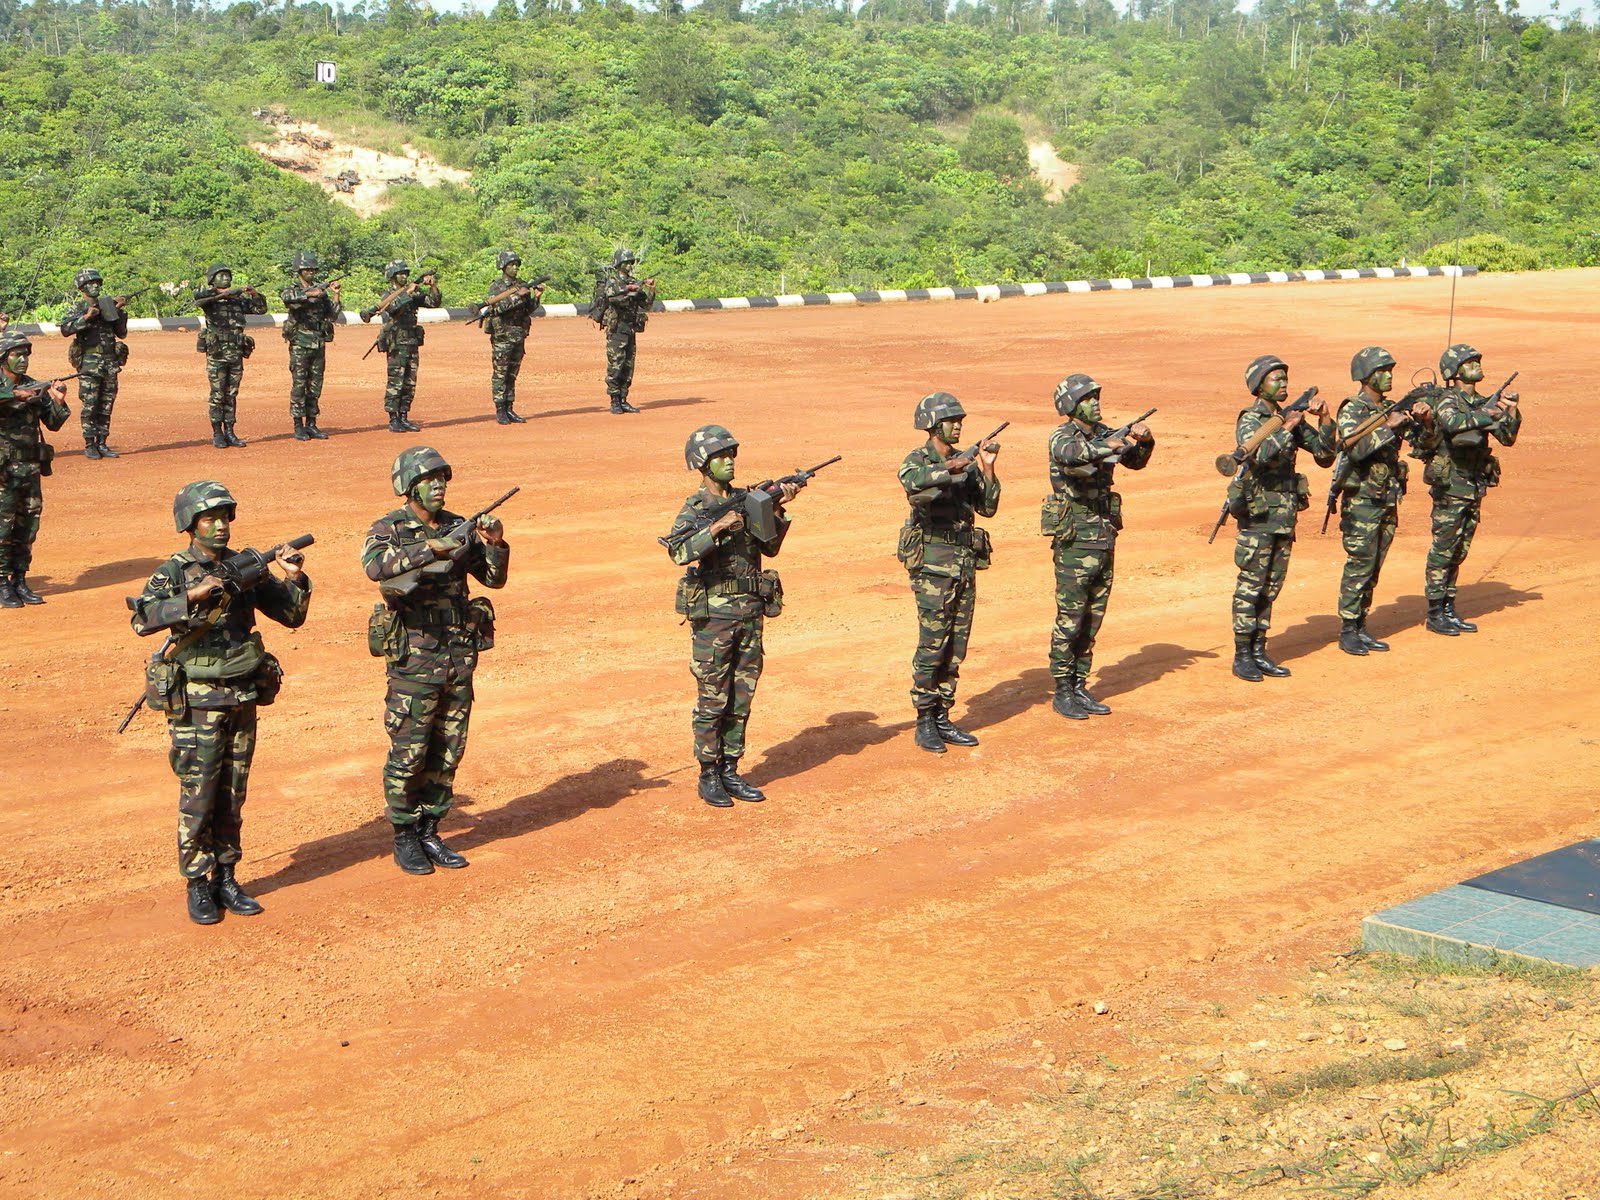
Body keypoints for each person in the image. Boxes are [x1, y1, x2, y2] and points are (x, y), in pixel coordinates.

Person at [129, 481, 312, 925]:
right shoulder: (174, 571)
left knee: (232, 791)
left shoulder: (245, 566)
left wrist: (294, 577)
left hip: (241, 693)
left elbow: (291, 615)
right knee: (199, 793)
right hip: (196, 702)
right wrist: (191, 596)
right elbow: (142, 618)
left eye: (225, 517)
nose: (220, 526)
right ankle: (198, 882)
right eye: (209, 518)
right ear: (190, 525)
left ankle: (227, 876)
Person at [361, 447, 508, 874]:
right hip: (414, 658)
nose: (439, 485)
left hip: (457, 656)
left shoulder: (457, 526)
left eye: (442, 477)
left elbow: (493, 579)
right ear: (409, 487)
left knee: (448, 748)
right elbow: (376, 568)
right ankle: (405, 834)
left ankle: (430, 829)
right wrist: (430, 549)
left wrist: (494, 544)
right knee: (409, 750)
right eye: (429, 479)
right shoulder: (389, 528)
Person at [662, 425, 799, 807]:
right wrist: (718, 527)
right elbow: (678, 552)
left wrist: (777, 509)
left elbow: (769, 548)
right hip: (714, 620)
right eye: (720, 456)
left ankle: (731, 769)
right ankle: (708, 773)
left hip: (750, 612)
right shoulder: (696, 507)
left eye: (731, 454)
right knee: (713, 697)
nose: (729, 461)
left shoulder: (748, 500)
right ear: (702, 463)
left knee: (742, 695)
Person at [1042, 373, 1154, 719]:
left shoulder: (1104, 433)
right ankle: (1063, 689)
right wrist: (1113, 444)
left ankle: (1080, 684)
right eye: (1088, 399)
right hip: (1075, 539)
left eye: (1096, 397)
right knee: (1070, 617)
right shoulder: (1063, 437)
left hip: (1103, 534)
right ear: (1071, 406)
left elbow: (1134, 461)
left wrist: (1143, 442)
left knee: (1093, 615)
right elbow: (1073, 455)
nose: (1095, 403)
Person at [896, 391, 1001, 753]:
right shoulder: (918, 460)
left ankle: (943, 715)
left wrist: (986, 467)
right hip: (932, 566)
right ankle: (925, 718)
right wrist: (951, 468)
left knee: (956, 644)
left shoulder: (966, 461)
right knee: (932, 642)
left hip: (963, 561)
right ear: (931, 425)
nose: (957, 426)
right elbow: (912, 482)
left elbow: (987, 507)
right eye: (950, 421)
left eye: (959, 421)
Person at [1229, 354, 1336, 681]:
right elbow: (1259, 454)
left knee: (1272, 585)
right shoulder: (1251, 419)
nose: (1284, 384)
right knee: (1251, 585)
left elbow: (1324, 455)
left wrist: (1325, 419)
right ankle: (1242, 654)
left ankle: (1259, 649)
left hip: (1284, 516)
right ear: (1259, 386)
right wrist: (1287, 426)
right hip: (1258, 514)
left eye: (1285, 378)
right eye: (1276, 379)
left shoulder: (1290, 417)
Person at [1414, 343, 1521, 635]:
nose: (1476, 365)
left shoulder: (1482, 403)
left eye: (1477, 361)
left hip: (1473, 485)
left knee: (1460, 549)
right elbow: (1452, 423)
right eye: (1469, 362)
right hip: (1451, 486)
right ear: (1455, 371)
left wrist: (1510, 412)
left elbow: (1507, 437)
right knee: (1443, 549)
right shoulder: (1448, 400)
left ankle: (1448, 606)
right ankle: (1435, 611)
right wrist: (1488, 414)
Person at [1331, 347, 1432, 655]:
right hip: (1361, 501)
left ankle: (1361, 624)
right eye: (1382, 371)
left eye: (1390, 370)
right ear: (1366, 376)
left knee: (1375, 565)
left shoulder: (1391, 408)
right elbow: (1355, 450)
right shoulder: (1353, 409)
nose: (1389, 376)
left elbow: (1422, 446)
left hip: (1386, 497)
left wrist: (1424, 421)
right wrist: (1389, 427)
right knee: (1359, 563)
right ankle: (1348, 628)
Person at [0, 332, 70, 608]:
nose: (23, 359)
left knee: (28, 526)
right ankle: (2, 583)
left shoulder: (33, 386)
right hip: (3, 472)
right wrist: (14, 394)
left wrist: (57, 400)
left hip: (29, 470)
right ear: (3, 358)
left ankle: (19, 579)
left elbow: (53, 423)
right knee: (2, 528)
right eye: (16, 354)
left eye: (26, 354)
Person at [192, 264, 267, 449]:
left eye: (227, 275)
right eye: (221, 275)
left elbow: (260, 309)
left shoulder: (237, 301)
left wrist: (254, 294)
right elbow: (198, 298)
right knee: (217, 394)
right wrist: (224, 293)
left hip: (235, 352)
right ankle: (217, 432)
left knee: (231, 394)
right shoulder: (210, 298)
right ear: (212, 280)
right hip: (217, 353)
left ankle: (230, 431)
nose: (226, 278)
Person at [58, 268, 128, 459]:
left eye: (97, 283)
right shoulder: (78, 308)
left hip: (109, 363)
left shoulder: (108, 306)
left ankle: (102, 442)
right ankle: (89, 444)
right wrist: (86, 317)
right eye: (91, 283)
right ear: (82, 288)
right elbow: (65, 329)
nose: (95, 286)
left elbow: (121, 333)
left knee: (106, 404)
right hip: (89, 364)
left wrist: (118, 312)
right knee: (90, 404)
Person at [364, 261, 441, 433]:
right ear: (392, 276)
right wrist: (408, 292)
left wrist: (433, 286)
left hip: (411, 342)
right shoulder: (388, 295)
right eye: (400, 274)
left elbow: (433, 302)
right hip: (396, 344)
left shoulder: (412, 292)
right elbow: (393, 308)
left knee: (409, 382)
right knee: (396, 381)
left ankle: (404, 416)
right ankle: (393, 418)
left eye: (406, 273)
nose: (404, 276)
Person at [279, 250, 340, 441]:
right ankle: (298, 424)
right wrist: (310, 294)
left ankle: (311, 423)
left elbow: (332, 315)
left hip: (317, 342)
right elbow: (287, 298)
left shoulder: (321, 294)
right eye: (307, 269)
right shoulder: (292, 289)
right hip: (300, 342)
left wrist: (335, 295)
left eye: (313, 269)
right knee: (299, 384)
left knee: (315, 385)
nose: (311, 272)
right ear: (299, 271)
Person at [481, 250, 543, 425]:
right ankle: (500, 409)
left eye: (517, 265)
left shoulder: (522, 284)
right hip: (502, 336)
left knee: (512, 373)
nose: (515, 268)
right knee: (501, 373)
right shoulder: (497, 287)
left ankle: (509, 407)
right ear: (503, 267)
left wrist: (536, 297)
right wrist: (517, 296)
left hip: (518, 334)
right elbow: (497, 308)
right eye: (511, 265)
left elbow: (527, 309)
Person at [594, 248, 655, 415]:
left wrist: (649, 290)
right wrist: (629, 291)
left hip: (630, 328)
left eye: (630, 262)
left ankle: (623, 398)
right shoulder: (613, 281)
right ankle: (614, 400)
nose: (629, 265)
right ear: (619, 264)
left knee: (628, 366)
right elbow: (613, 298)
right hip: (617, 329)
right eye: (626, 262)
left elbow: (646, 305)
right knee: (616, 365)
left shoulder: (633, 282)